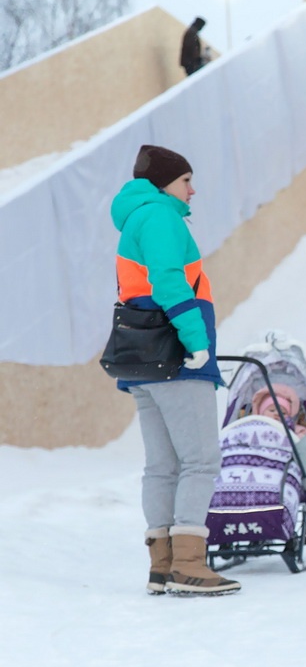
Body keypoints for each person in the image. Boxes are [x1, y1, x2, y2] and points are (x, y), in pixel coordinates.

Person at [111, 144, 240, 596]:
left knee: (163, 466)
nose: (192, 190)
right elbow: (169, 282)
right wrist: (197, 343)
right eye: (186, 181)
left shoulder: (134, 219)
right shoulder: (161, 216)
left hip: (142, 359)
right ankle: (189, 565)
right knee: (201, 460)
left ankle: (162, 565)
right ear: (165, 182)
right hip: (176, 357)